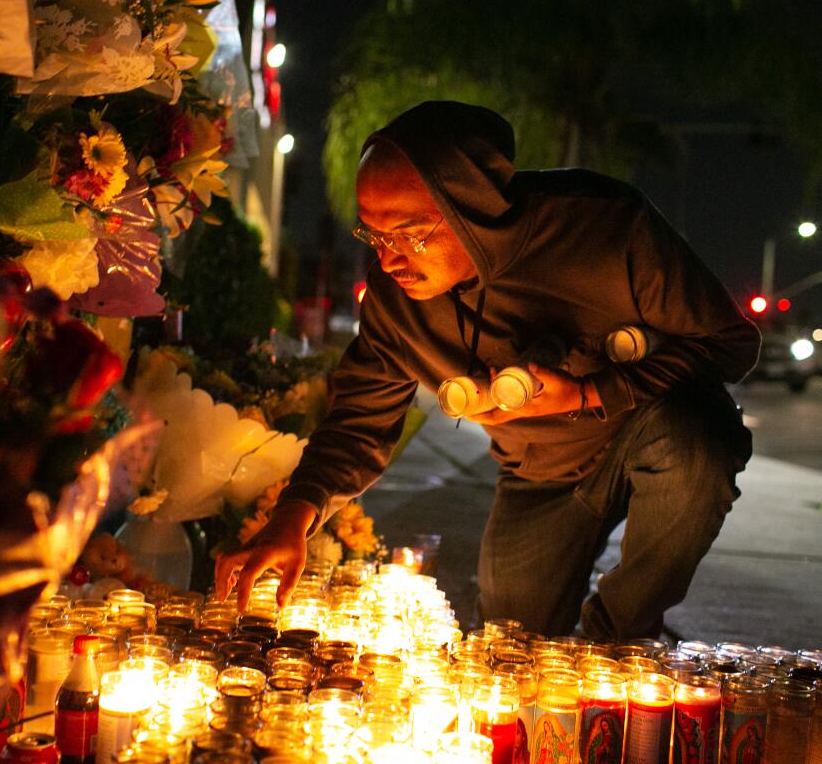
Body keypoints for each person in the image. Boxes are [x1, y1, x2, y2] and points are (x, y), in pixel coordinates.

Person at [215, 101, 758, 640]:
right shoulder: (395, 297)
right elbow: (361, 420)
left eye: (410, 234)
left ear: (469, 207)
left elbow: (728, 342)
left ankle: (621, 641)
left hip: (652, 429)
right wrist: (296, 513)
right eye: (374, 236)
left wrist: (593, 392)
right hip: (539, 473)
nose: (389, 259)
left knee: (695, 452)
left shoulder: (606, 228)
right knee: (509, 647)